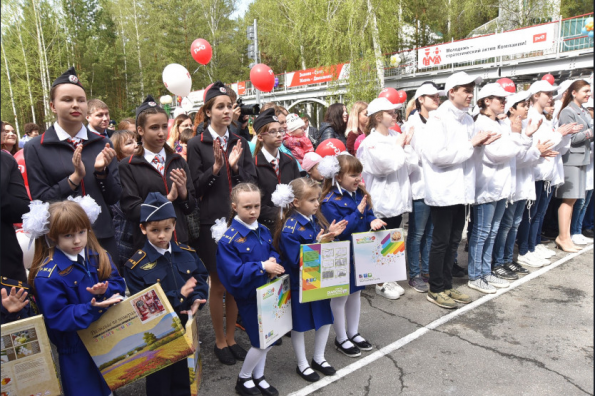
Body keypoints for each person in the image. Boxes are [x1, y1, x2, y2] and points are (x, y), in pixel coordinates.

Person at [186, 82, 256, 366]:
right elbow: (194, 190)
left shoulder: (240, 139)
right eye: (220, 106)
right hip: (210, 224)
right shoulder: (196, 144)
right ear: (208, 111)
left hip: (238, 222)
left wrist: (237, 167)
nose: (227, 111)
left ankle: (232, 337)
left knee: (236, 284)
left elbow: (250, 181)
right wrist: (216, 168)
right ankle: (219, 340)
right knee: (218, 285)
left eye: (230, 106)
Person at [27, 198, 126, 396]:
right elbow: (58, 317)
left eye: (82, 232)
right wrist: (94, 307)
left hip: (107, 340)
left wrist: (105, 292)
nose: (77, 240)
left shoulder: (97, 256)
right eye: (68, 235)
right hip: (76, 352)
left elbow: (118, 284)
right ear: (52, 236)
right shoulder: (47, 275)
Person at [24, 67, 122, 262]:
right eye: (67, 100)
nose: (75, 105)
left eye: (81, 100)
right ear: (53, 106)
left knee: (111, 290)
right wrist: (73, 179)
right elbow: (41, 199)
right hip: (61, 242)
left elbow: (114, 197)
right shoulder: (36, 146)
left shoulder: (102, 143)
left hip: (102, 237)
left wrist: (101, 172)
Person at [422, 71, 499, 309]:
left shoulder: (467, 119)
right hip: (444, 189)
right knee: (441, 241)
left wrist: (479, 145)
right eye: (466, 90)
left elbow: (468, 154)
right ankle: (435, 288)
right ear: (451, 91)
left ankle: (446, 286)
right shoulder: (438, 119)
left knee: (455, 239)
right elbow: (437, 156)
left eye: (471, 89)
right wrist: (471, 144)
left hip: (461, 189)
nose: (470, 94)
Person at [125, 192, 209, 396]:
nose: (161, 235)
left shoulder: (187, 253)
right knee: (159, 384)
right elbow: (143, 305)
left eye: (167, 229)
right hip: (157, 336)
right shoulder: (136, 266)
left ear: (174, 226)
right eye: (154, 230)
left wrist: (197, 297)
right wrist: (179, 295)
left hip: (185, 327)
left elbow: (200, 276)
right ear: (143, 229)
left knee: (185, 379)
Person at [214, 182, 285, 396]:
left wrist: (273, 261)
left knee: (269, 338)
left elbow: (274, 251)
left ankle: (258, 376)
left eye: (257, 205)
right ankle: (243, 379)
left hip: (268, 293)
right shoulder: (228, 240)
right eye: (247, 207)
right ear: (234, 206)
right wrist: (263, 267)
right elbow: (232, 274)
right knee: (260, 342)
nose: (253, 211)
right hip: (249, 298)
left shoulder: (262, 230)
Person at [275, 178, 347, 382]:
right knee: (300, 324)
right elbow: (296, 259)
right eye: (312, 200)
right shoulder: (290, 228)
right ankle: (302, 363)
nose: (317, 204)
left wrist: (332, 236)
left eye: (318, 199)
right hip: (300, 284)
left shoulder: (314, 220)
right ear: (296, 202)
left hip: (319, 279)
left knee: (324, 318)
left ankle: (319, 358)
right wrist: (318, 242)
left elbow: (323, 249)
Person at [320, 154, 386, 358]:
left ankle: (353, 332)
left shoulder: (359, 194)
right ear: (338, 177)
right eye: (353, 175)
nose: (358, 179)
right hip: (341, 255)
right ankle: (340, 337)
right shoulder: (329, 201)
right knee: (340, 296)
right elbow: (342, 230)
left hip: (359, 254)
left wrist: (373, 221)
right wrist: (357, 213)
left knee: (356, 294)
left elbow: (368, 215)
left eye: (359, 174)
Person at [119, 95, 197, 252]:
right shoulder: (128, 166)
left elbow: (191, 207)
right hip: (148, 247)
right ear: (140, 130)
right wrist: (167, 199)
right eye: (154, 127)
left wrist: (183, 194)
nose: (161, 133)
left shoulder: (178, 160)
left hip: (179, 241)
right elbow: (132, 210)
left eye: (164, 126)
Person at [516, 80, 582, 265]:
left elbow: (557, 148)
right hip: (536, 172)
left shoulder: (544, 118)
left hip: (546, 174)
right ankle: (524, 249)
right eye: (548, 94)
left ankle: (532, 246)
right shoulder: (531, 117)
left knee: (538, 214)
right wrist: (559, 134)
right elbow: (542, 146)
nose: (551, 99)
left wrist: (564, 134)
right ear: (536, 95)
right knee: (529, 215)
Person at [492, 91, 555, 277]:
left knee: (515, 224)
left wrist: (534, 149)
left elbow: (527, 156)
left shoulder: (528, 125)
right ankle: (499, 261)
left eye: (527, 104)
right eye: (522, 105)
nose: (527, 108)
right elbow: (516, 158)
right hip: (511, 184)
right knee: (505, 225)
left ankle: (508, 259)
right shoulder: (505, 127)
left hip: (524, 182)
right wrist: (535, 151)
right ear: (512, 109)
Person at [356, 97, 412, 300]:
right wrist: (400, 147)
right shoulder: (370, 142)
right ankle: (380, 282)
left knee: (393, 239)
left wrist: (403, 146)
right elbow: (384, 166)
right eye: (391, 112)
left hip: (397, 197)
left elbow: (411, 162)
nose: (395, 115)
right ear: (379, 117)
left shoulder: (395, 136)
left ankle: (390, 277)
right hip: (381, 199)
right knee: (380, 239)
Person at [402, 83, 441, 293]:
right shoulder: (412, 124)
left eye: (437, 96)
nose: (436, 99)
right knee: (417, 234)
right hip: (419, 185)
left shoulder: (437, 121)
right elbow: (415, 157)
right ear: (421, 100)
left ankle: (426, 270)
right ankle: (414, 274)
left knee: (431, 232)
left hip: (435, 186)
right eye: (432, 96)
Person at [555, 80, 593, 250]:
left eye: (589, 91)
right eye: (585, 91)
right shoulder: (567, 112)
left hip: (582, 159)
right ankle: (563, 238)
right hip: (571, 159)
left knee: (574, 199)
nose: (588, 94)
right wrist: (591, 131)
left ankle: (567, 237)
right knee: (568, 200)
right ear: (574, 92)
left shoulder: (583, 111)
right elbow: (573, 139)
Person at [253, 108, 301, 232]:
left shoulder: (290, 161)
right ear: (260, 137)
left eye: (281, 130)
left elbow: (298, 191)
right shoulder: (254, 165)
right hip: (265, 227)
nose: (279, 135)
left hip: (292, 225)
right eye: (273, 132)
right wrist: (279, 214)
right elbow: (254, 202)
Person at [1, 122, 31, 283]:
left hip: (6, 263)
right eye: (6, 131)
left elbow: (22, 207)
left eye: (13, 131)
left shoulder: (6, 160)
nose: (9, 134)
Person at [109, 130, 139, 269]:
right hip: (125, 235)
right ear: (118, 152)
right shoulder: (116, 174)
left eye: (136, 141)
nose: (136, 145)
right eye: (129, 143)